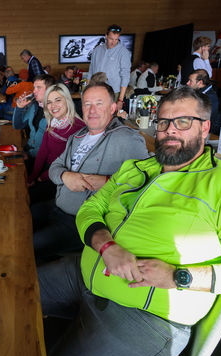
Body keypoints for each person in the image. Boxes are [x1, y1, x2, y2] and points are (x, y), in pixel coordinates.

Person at [38, 86, 221, 356]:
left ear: (205, 127)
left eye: (183, 122)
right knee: (10, 293)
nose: (170, 130)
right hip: (84, 275)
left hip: (145, 318)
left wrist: (178, 276)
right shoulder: (136, 169)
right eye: (164, 122)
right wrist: (106, 245)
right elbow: (91, 208)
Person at [33, 82, 148, 264]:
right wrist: (65, 176)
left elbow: (146, 182)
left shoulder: (128, 138)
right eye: (87, 104)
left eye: (99, 103)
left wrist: (109, 181)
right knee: (20, 219)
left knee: (29, 245)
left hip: (82, 222)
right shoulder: (78, 136)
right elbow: (55, 166)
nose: (92, 110)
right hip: (57, 207)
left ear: (112, 108)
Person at [27, 84, 85, 204]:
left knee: (28, 197)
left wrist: (40, 178)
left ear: (67, 101)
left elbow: (68, 164)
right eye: (49, 102)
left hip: (61, 176)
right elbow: (43, 151)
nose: (53, 106)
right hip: (46, 168)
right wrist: (32, 177)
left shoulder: (79, 128)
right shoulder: (52, 122)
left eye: (58, 100)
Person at [87, 24, 131, 110]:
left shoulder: (123, 52)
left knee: (111, 116)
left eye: (116, 39)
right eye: (111, 39)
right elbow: (91, 71)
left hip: (114, 93)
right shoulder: (97, 50)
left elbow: (125, 76)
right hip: (96, 91)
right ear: (106, 36)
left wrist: (120, 100)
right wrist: (87, 90)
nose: (113, 42)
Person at [12, 74, 56, 160]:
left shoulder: (56, 111)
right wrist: (19, 108)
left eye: (38, 88)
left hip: (43, 158)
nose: (34, 91)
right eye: (34, 87)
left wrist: (30, 156)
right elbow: (17, 126)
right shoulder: (35, 106)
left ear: (50, 90)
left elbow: (53, 147)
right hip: (28, 151)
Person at [186, 69, 221, 134]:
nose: (187, 83)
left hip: (206, 132)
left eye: (190, 81)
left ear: (200, 82)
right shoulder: (198, 92)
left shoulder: (210, 98)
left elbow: (201, 120)